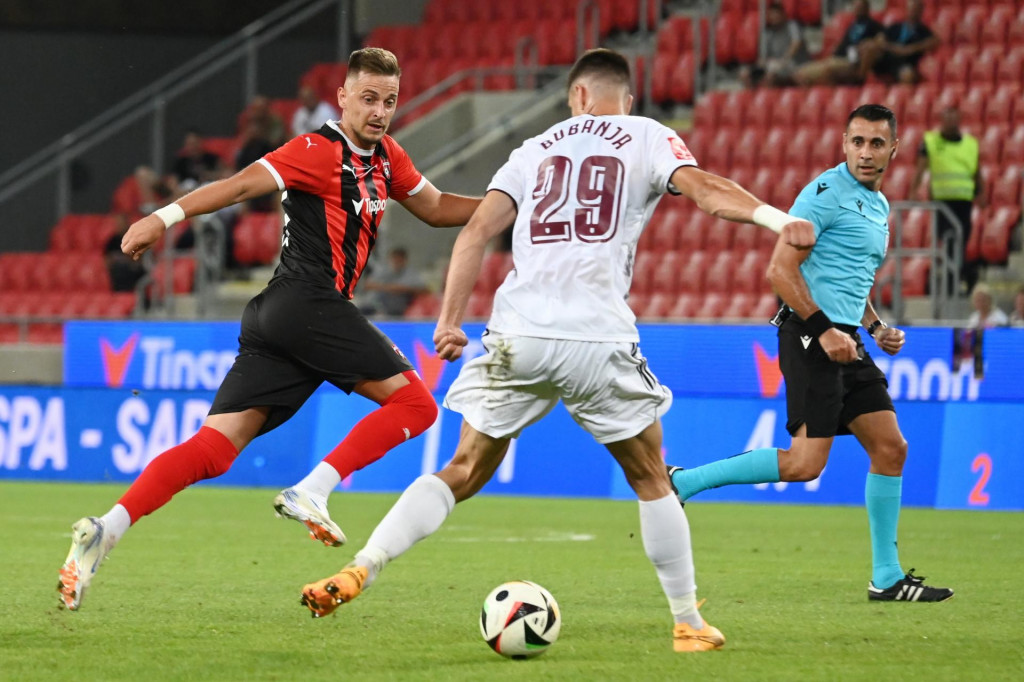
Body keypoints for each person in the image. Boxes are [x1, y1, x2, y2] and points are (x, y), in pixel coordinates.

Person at [296, 48, 817, 652]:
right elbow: (704, 191)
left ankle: (364, 565)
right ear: (626, 96)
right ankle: (688, 623)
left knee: (461, 470)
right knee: (651, 476)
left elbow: (475, 232)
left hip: (518, 334)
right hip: (597, 337)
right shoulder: (646, 134)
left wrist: (449, 321)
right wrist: (778, 220)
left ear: (575, 96)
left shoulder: (534, 148)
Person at [57, 47, 482, 612]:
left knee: (214, 450)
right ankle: (314, 488)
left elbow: (436, 208)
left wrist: (512, 204)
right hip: (307, 302)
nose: (379, 111)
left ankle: (104, 529)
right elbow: (238, 187)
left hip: (284, 319)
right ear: (343, 98)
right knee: (418, 408)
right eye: (369, 99)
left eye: (390, 101)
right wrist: (161, 219)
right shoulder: (315, 149)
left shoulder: (387, 159)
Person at [666, 105, 953, 603]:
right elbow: (780, 271)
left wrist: (875, 326)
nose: (866, 152)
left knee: (891, 448)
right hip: (808, 336)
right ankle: (685, 482)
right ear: (843, 143)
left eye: (877, 143)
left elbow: (846, 278)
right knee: (804, 464)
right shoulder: (823, 194)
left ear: (894, 149)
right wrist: (824, 331)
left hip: (847, 340)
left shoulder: (877, 205)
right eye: (858, 142)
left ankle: (886, 577)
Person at [911, 106, 984, 295]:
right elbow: (920, 169)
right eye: (947, 118)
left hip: (964, 201)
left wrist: (981, 194)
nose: (951, 122)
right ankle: (956, 282)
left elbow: (977, 171)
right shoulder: (931, 141)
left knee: (961, 243)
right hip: (942, 203)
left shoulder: (970, 144)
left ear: (959, 120)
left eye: (954, 118)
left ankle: (964, 276)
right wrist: (913, 190)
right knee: (950, 243)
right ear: (942, 120)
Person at [795, 0, 884, 86]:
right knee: (800, 73)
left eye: (860, 7)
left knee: (826, 70)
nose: (857, 9)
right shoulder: (853, 25)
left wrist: (867, 44)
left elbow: (880, 41)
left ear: (867, 8)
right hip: (836, 58)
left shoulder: (873, 25)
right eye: (855, 6)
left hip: (849, 61)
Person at [740, 2, 809, 88]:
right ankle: (752, 99)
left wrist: (784, 60)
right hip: (774, 65)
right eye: (771, 15)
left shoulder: (792, 25)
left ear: (783, 15)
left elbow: (796, 43)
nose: (774, 17)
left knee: (770, 75)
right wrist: (762, 63)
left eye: (776, 14)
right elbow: (764, 57)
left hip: (794, 64)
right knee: (745, 74)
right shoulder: (768, 33)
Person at [872, 0, 939, 84]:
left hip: (906, 63)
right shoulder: (896, 26)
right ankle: (857, 80)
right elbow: (880, 39)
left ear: (921, 11)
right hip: (888, 59)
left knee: (908, 75)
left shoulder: (923, 31)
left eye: (916, 9)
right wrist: (896, 48)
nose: (913, 12)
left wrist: (913, 48)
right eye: (911, 9)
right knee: (869, 48)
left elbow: (934, 41)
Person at [357, 247, 430, 317]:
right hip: (377, 306)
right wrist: (389, 288)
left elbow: (425, 290)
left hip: (401, 309)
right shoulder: (383, 271)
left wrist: (402, 289)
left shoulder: (411, 273)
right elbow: (367, 285)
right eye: (394, 258)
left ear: (405, 260)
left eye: (399, 259)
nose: (396, 261)